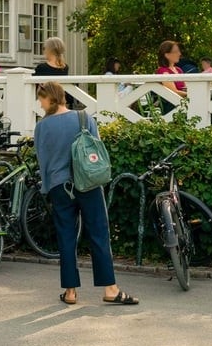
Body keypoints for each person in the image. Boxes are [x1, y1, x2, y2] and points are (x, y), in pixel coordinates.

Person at [33, 82, 137, 306]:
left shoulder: (42, 127)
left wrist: (46, 187)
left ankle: (70, 292)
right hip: (88, 182)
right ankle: (110, 289)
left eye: (41, 99)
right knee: (99, 233)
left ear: (50, 99)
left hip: (60, 187)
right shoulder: (83, 117)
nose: (40, 104)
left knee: (66, 237)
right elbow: (96, 149)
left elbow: (42, 160)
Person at [35, 36, 76, 107]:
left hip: (45, 102)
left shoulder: (41, 67)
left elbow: (35, 88)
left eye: (44, 48)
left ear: (49, 50)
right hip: (61, 103)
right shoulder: (65, 67)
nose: (43, 51)